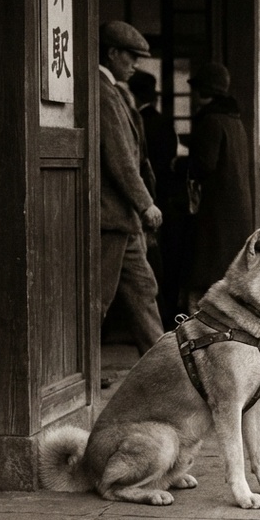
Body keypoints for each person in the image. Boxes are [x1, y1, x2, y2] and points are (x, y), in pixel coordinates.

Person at [96, 21, 165, 357]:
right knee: (98, 301)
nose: (135, 63)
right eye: (131, 56)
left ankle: (166, 369)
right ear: (111, 53)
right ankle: (81, 373)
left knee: (143, 290)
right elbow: (121, 160)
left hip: (123, 220)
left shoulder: (115, 92)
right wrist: (146, 204)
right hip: (111, 218)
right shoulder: (102, 92)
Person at [184, 62, 252, 311]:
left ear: (203, 91)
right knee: (228, 271)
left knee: (205, 272)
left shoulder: (210, 121)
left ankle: (202, 321)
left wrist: (182, 162)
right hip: (236, 211)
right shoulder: (235, 121)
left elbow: (204, 164)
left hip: (215, 210)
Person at [127, 70, 181, 327]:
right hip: (162, 199)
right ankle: (164, 318)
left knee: (148, 265)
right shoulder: (162, 122)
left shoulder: (137, 120)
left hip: (144, 201)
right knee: (160, 263)